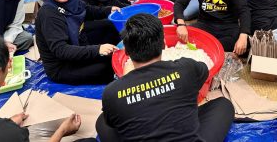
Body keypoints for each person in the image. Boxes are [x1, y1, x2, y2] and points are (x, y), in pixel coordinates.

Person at [97, 14, 234, 142]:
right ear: (163, 44)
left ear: (126, 51)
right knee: (224, 104)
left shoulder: (112, 93)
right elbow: (204, 71)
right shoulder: (187, 68)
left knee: (103, 121)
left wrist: (126, 79)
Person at [35, 0, 121, 85]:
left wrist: (108, 10)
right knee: (108, 66)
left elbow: (87, 10)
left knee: (110, 27)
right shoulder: (49, 14)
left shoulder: (72, 0)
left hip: (78, 43)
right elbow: (61, 50)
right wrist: (97, 49)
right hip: (62, 66)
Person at [0, 37, 87, 142]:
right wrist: (62, 131)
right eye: (9, 63)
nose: (10, 66)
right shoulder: (13, 135)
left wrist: (9, 122)